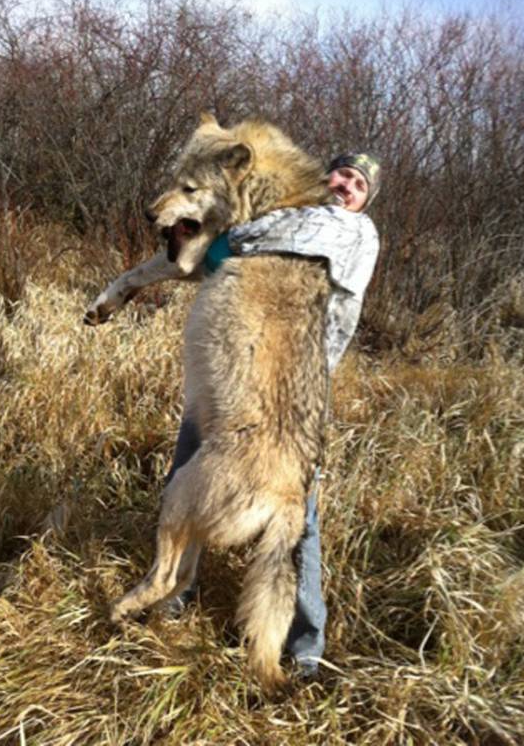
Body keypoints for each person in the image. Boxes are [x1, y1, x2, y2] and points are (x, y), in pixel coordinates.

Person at [163, 151, 382, 677]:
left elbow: (240, 245)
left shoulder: (355, 231)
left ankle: (304, 646)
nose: (345, 185)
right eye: (340, 173)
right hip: (229, 377)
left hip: (288, 395)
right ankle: (174, 593)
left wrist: (221, 238)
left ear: (365, 199)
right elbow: (216, 252)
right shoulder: (291, 213)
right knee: (184, 480)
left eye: (357, 183)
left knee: (295, 518)